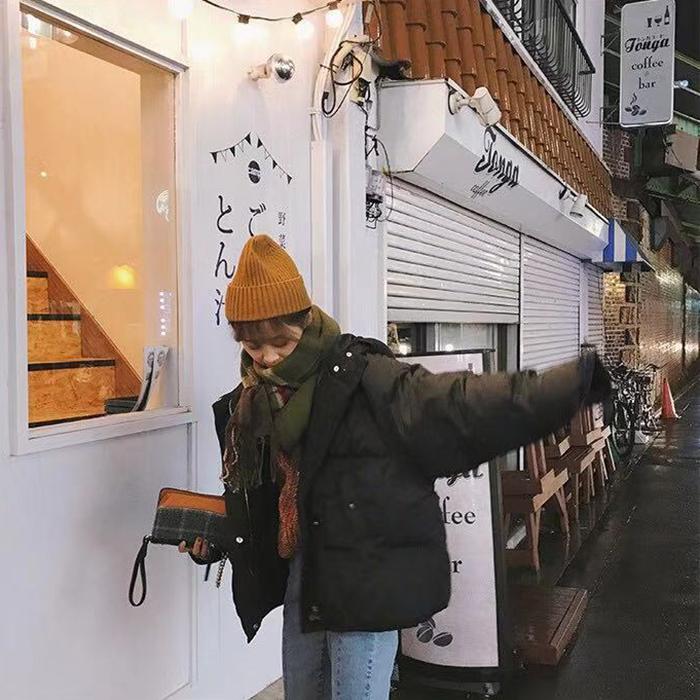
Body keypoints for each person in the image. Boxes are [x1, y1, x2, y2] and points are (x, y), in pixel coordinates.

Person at [181, 234, 610, 700]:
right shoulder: (250, 403)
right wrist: (220, 539)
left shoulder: (363, 375)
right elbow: (266, 499)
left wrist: (564, 388)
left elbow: (458, 405)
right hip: (305, 578)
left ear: (304, 320)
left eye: (278, 342)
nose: (266, 358)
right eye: (251, 345)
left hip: (366, 579)